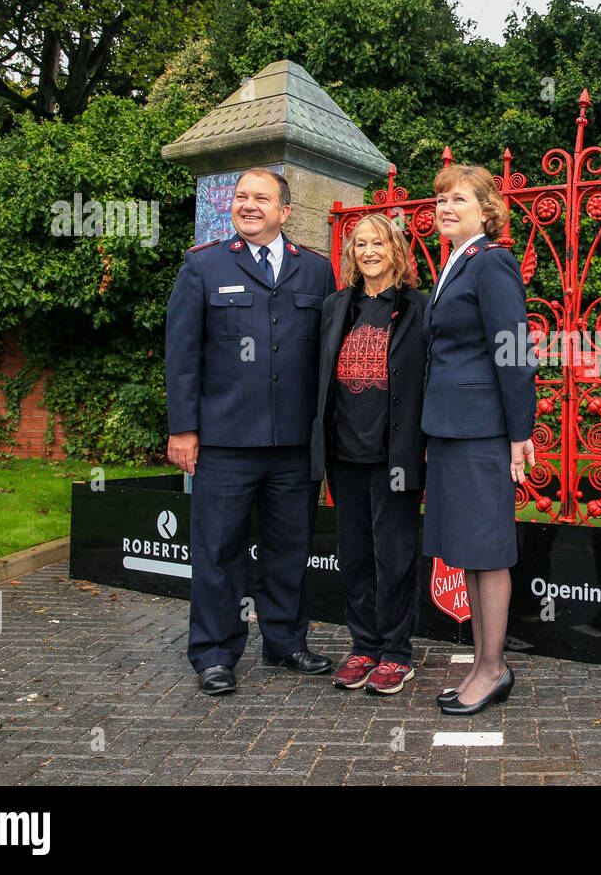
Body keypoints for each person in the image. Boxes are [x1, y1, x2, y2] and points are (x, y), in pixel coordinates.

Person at [165, 168, 335, 695]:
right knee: (218, 552)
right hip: (225, 442)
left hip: (293, 446)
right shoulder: (203, 265)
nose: (249, 205)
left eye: (261, 198)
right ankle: (215, 654)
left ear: (286, 211)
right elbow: (182, 356)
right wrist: (183, 429)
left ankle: (286, 642)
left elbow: (324, 361)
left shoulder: (318, 272)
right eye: (241, 197)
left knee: (289, 549)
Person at [422, 164, 537, 715]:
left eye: (458, 199)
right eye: (440, 199)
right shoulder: (455, 263)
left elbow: (513, 350)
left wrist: (520, 434)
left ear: (486, 211)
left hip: (482, 431)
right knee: (468, 549)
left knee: (488, 552)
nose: (445, 206)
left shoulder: (491, 262)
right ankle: (481, 662)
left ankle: (493, 670)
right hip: (450, 430)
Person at [310, 214, 427, 694]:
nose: (369, 250)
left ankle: (396, 653)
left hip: (395, 455)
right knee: (354, 554)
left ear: (395, 248)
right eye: (360, 243)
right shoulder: (338, 305)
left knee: (394, 555)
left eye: (378, 242)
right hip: (344, 453)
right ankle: (363, 648)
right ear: (351, 253)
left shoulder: (418, 307)